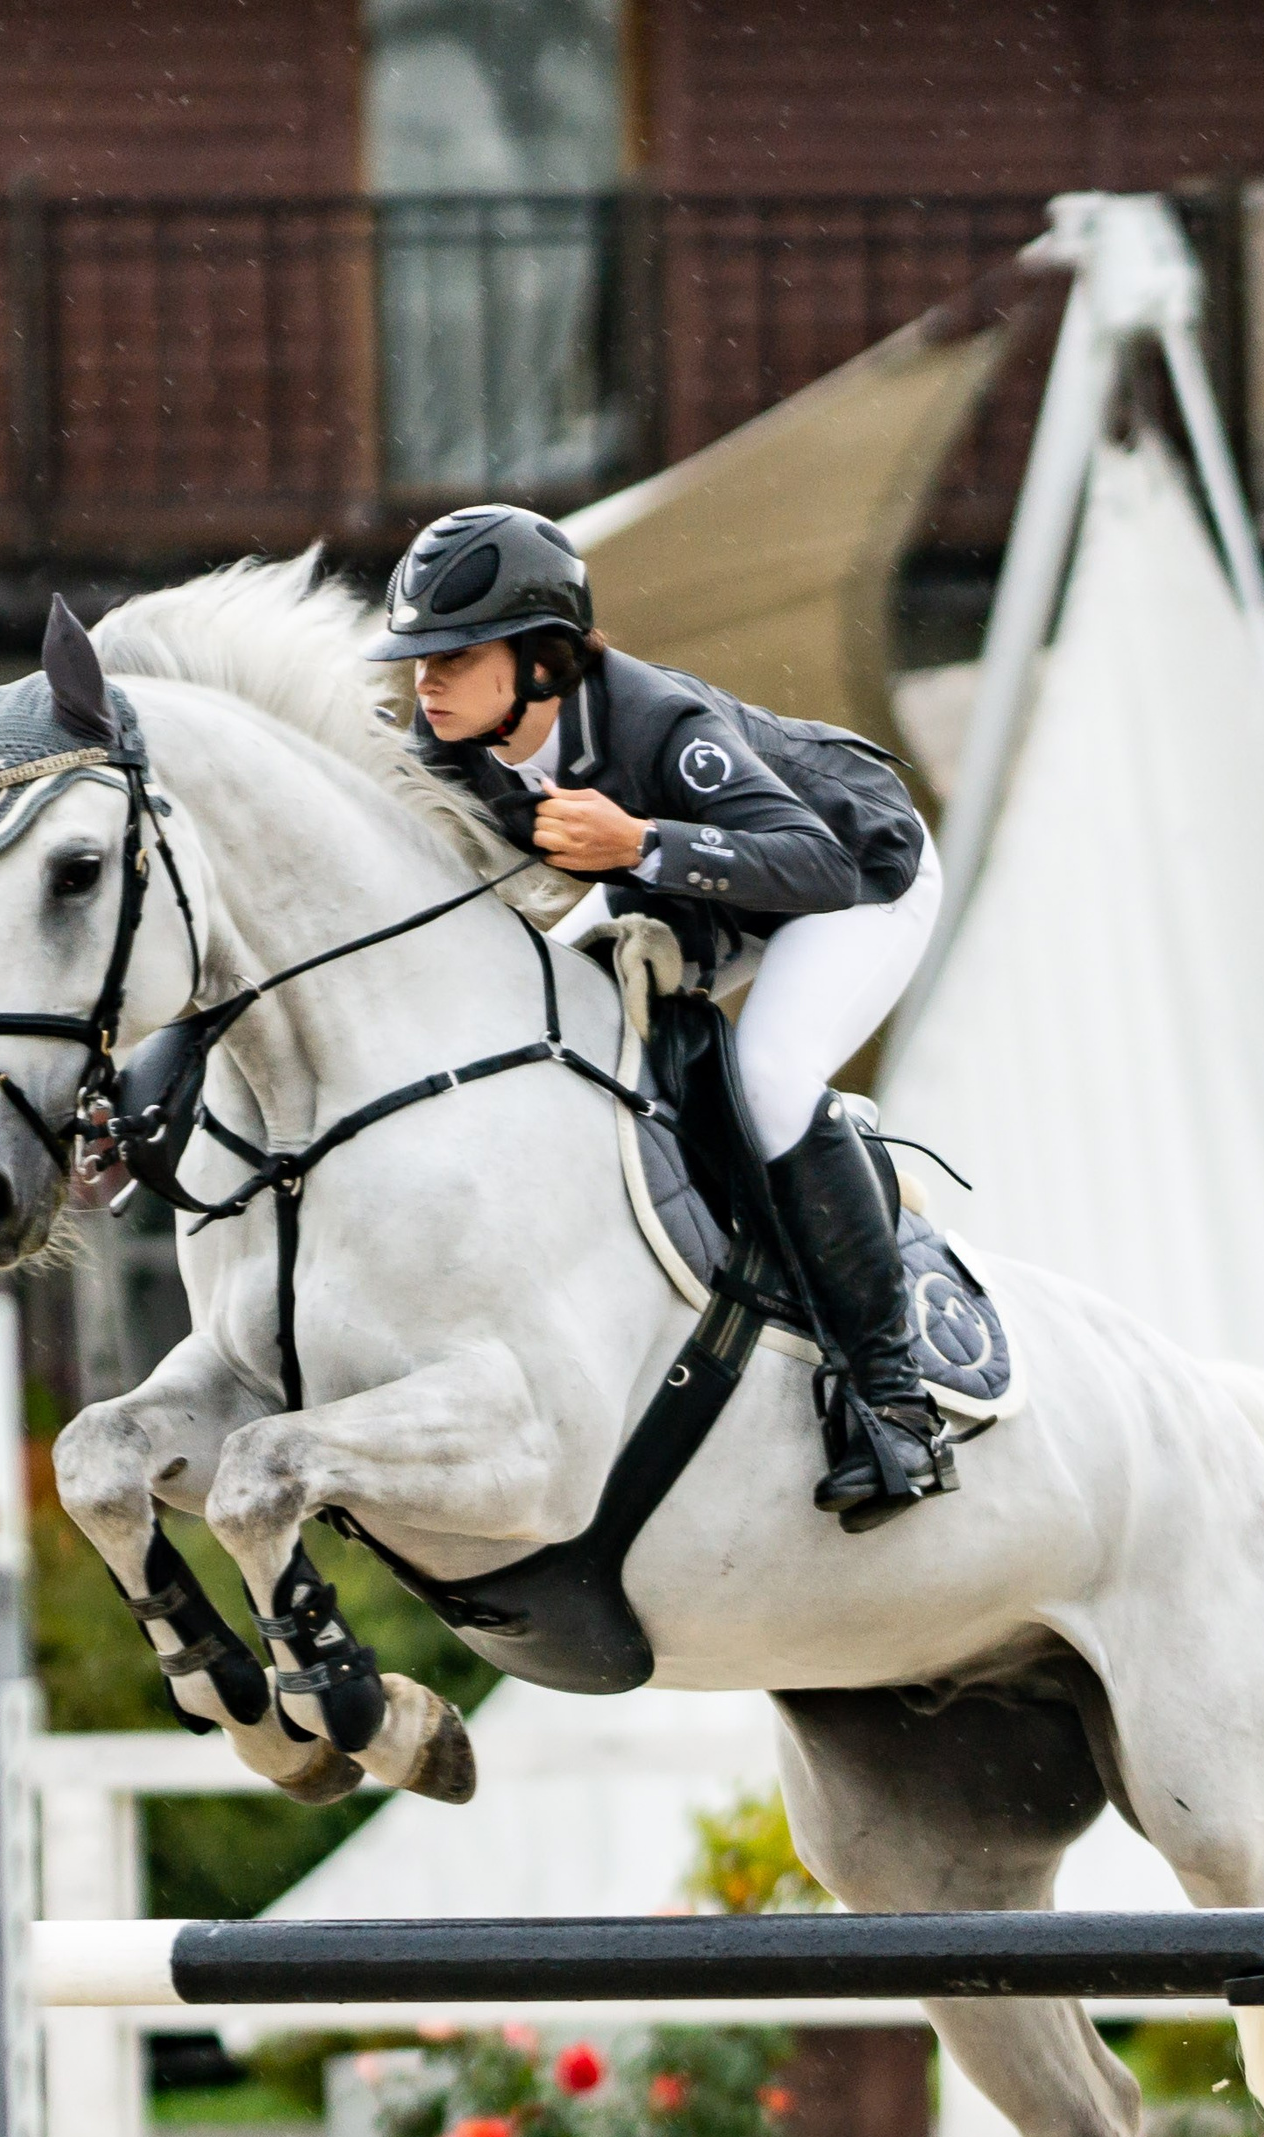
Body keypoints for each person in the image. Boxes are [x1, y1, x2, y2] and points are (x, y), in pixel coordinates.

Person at [368, 501, 954, 1531]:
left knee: (770, 1076)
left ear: (542, 660)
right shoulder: (448, 742)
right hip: (693, 880)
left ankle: (894, 1401)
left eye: (455, 655)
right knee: (553, 1019)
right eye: (419, 657)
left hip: (859, 875)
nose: (427, 680)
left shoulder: (654, 722)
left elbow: (813, 864)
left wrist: (639, 841)